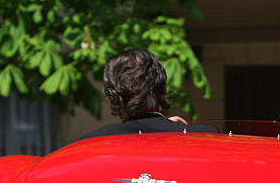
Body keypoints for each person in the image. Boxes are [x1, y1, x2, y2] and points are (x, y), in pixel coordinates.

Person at [78, 49, 216, 140]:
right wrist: (167, 127)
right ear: (165, 89)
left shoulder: (88, 144)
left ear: (110, 100)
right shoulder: (208, 136)